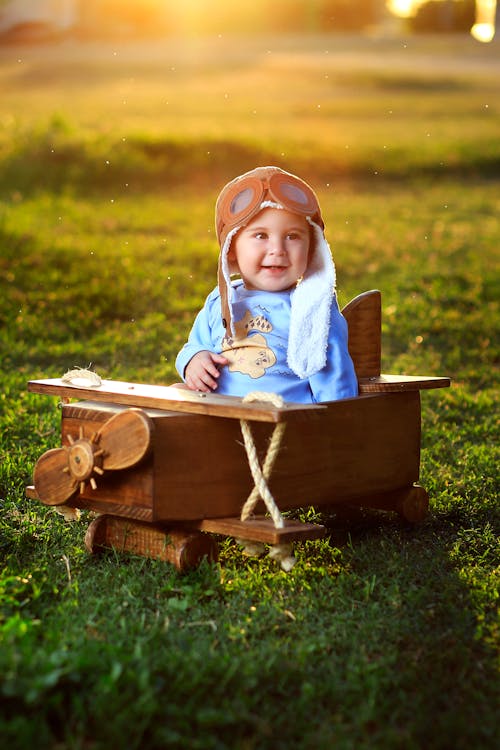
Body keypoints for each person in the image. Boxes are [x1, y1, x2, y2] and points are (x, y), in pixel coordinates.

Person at [175, 166, 358, 403]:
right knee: (175, 392)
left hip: (281, 419)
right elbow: (195, 345)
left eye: (292, 236)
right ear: (231, 250)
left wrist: (338, 420)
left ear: (311, 248)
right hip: (217, 412)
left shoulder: (311, 307)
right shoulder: (220, 301)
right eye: (261, 235)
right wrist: (195, 360)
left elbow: (334, 377)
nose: (277, 250)